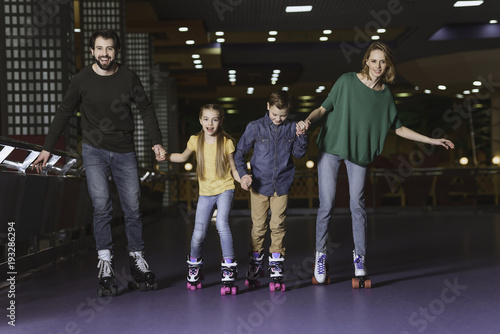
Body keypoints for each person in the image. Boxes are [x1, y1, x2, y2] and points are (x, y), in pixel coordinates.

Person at [298, 42, 455, 285]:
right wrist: (307, 121)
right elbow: (322, 109)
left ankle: (359, 259)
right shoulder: (346, 81)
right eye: (373, 60)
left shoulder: (385, 96)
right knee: (326, 205)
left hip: (359, 154)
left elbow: (399, 128)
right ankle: (320, 255)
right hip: (331, 149)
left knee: (357, 205)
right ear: (366, 62)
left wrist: (431, 140)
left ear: (388, 65)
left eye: (382, 61)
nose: (377, 66)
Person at [32, 29, 167, 295]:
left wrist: (157, 142)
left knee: (133, 207)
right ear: (92, 51)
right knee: (102, 207)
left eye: (110, 49)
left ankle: (137, 259)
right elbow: (64, 112)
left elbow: (146, 110)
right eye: (100, 49)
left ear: (117, 51)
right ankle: (105, 262)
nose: (105, 53)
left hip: (125, 150)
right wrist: (48, 148)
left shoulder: (128, 77)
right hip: (93, 150)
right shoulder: (81, 78)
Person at [234, 89, 308, 291]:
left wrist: (301, 135)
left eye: (283, 115)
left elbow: (299, 154)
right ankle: (255, 263)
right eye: (275, 114)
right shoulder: (255, 127)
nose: (278, 119)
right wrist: (243, 175)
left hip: (282, 184)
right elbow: (239, 153)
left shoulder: (292, 127)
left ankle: (276, 263)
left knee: (278, 224)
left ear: (289, 110)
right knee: (258, 227)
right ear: (268, 106)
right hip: (258, 185)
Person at [165, 104, 241, 294]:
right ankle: (194, 266)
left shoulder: (226, 142)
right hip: (205, 193)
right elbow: (182, 158)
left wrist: (243, 179)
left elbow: (234, 168)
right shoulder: (195, 140)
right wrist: (165, 156)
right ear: (200, 120)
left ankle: (229, 267)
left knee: (222, 224)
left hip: (225, 188)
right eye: (206, 119)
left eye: (215, 119)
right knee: (199, 233)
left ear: (220, 121)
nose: (210, 123)